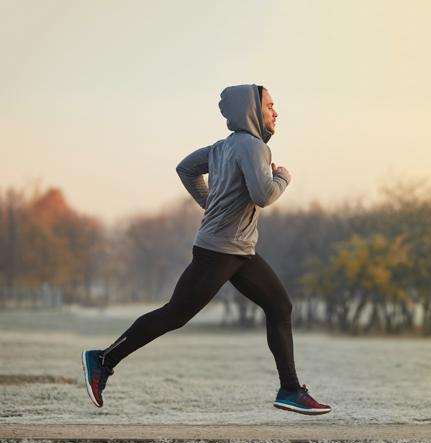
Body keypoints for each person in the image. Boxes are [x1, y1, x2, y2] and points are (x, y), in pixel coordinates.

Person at [82, 84, 331, 416]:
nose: (275, 112)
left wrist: (209, 203)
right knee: (175, 314)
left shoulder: (223, 147)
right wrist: (283, 177)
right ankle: (102, 360)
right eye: (270, 105)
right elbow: (263, 195)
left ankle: (290, 389)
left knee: (279, 306)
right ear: (252, 110)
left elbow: (185, 168)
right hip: (220, 251)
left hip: (239, 251)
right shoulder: (254, 148)